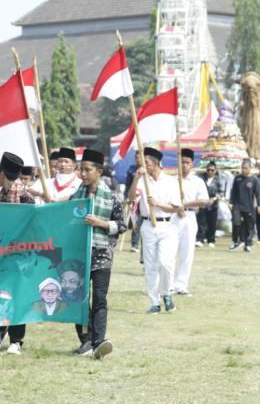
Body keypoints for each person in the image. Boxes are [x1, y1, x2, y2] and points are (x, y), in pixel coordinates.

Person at [70, 148, 126, 359]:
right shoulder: (76, 196)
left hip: (101, 254)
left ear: (99, 171)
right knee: (79, 298)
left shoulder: (112, 197)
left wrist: (100, 223)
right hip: (78, 254)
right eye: (81, 170)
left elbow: (122, 225)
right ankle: (86, 341)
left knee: (100, 298)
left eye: (87, 170)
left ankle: (99, 341)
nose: (82, 174)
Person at [0, 152, 34, 355]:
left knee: (18, 297)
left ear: (3, 174)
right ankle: (0, 332)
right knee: (1, 295)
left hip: (20, 256)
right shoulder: (2, 194)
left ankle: (16, 340)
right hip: (2, 255)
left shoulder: (24, 196)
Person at [127, 146, 181, 314]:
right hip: (148, 226)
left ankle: (166, 293)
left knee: (166, 262)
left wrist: (157, 204)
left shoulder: (170, 181)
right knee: (150, 265)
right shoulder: (142, 180)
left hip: (167, 225)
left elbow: (175, 208)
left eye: (147, 162)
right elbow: (130, 198)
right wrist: (136, 179)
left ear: (156, 163)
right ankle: (155, 301)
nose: (144, 165)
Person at [173, 148, 210, 296]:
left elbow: (204, 201)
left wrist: (186, 204)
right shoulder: (171, 180)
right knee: (169, 252)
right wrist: (177, 204)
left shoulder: (197, 181)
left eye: (187, 162)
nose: (184, 165)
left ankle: (181, 285)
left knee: (187, 252)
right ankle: (168, 285)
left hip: (189, 217)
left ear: (192, 164)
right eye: (181, 162)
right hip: (173, 217)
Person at [229, 159, 260, 252]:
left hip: (248, 206)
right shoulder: (237, 178)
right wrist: (231, 202)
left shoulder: (254, 180)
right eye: (242, 168)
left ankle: (247, 244)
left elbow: (257, 194)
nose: (243, 170)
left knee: (249, 226)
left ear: (250, 168)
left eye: (246, 168)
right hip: (237, 205)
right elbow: (233, 192)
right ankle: (235, 241)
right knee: (236, 223)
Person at [196, 162, 220, 247]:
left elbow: (221, 192)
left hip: (213, 204)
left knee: (212, 223)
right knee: (201, 222)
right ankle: (200, 239)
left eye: (212, 170)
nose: (210, 172)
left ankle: (211, 240)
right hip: (203, 203)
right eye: (208, 170)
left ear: (215, 170)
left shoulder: (218, 180)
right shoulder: (202, 178)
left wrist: (214, 199)